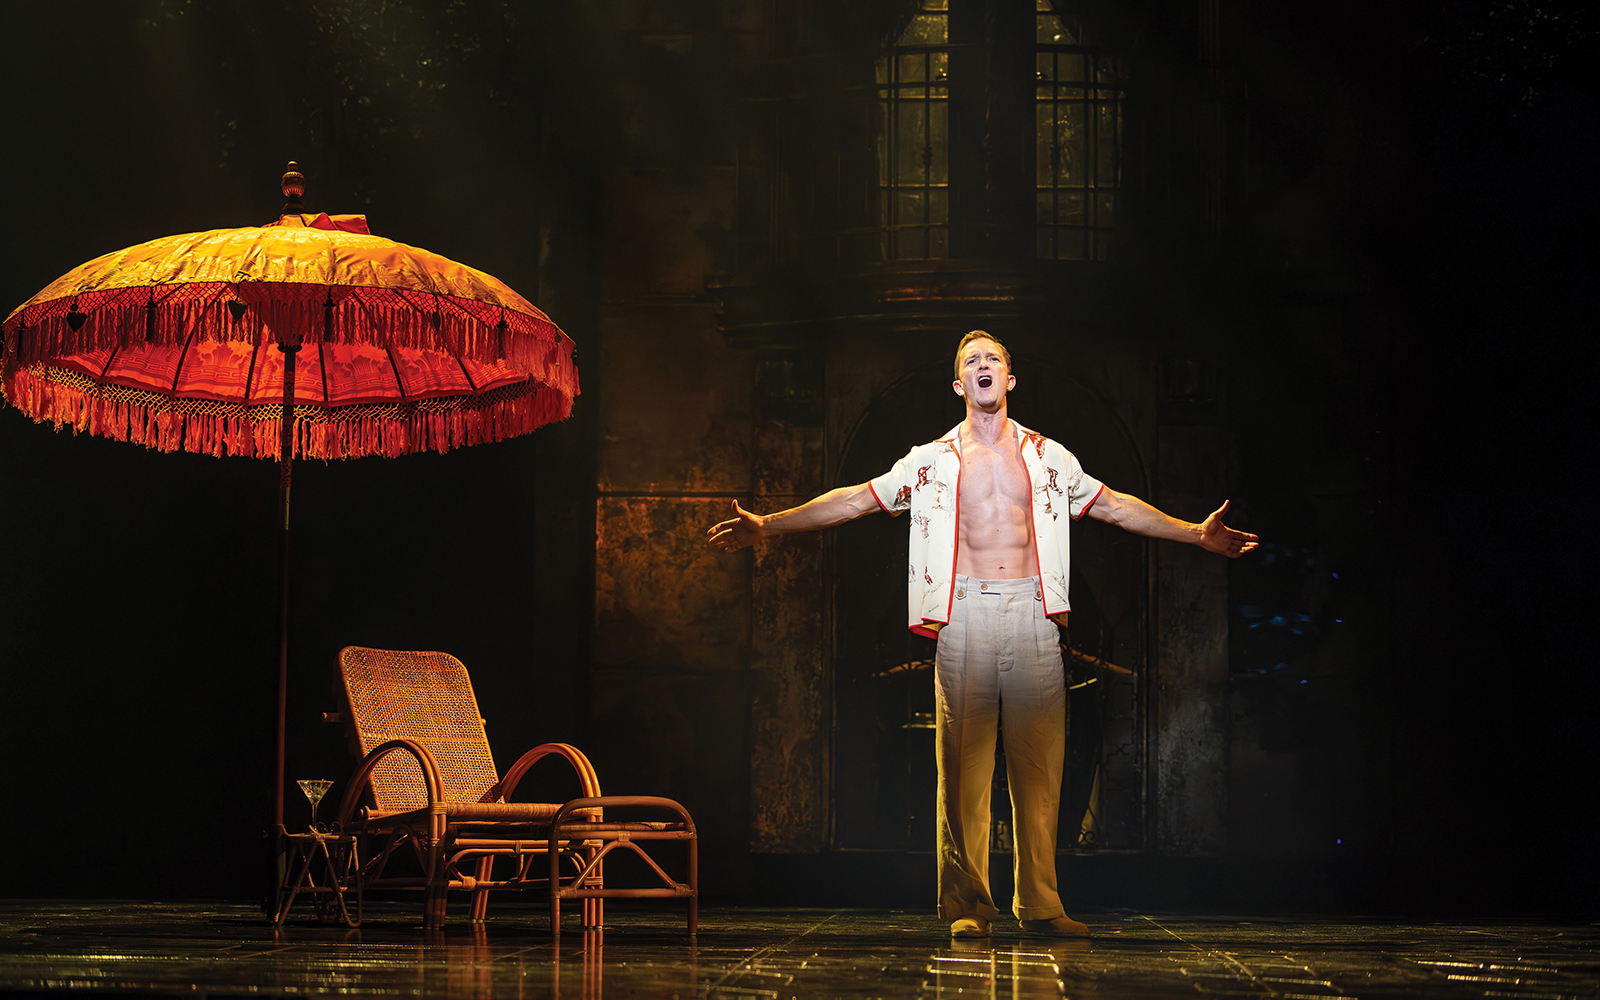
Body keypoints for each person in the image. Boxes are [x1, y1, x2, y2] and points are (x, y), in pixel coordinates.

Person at [706, 331, 1258, 938]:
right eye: (973, 361)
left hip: (1032, 615)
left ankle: (1041, 905)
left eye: (994, 358)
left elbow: (1115, 506)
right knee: (964, 769)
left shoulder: (1049, 456)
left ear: (1010, 379)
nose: (984, 366)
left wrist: (1193, 534)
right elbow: (855, 501)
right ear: (959, 384)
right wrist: (770, 527)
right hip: (963, 613)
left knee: (1039, 768)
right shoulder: (929, 460)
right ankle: (968, 906)